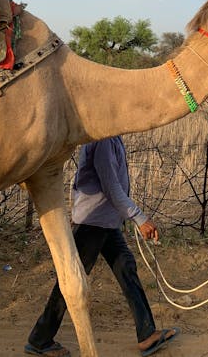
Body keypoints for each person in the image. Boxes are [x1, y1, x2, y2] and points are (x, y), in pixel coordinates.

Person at [25, 136, 180, 357]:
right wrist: (139, 218)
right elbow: (112, 188)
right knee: (72, 282)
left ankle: (147, 334)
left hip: (106, 222)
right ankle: (40, 339)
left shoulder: (113, 137)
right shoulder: (103, 141)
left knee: (127, 267)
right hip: (92, 223)